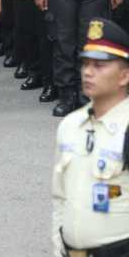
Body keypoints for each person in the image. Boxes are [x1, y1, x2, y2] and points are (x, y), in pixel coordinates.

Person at [52, 18, 129, 256]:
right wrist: (58, 244)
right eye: (85, 64)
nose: (88, 72)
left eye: (100, 65)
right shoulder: (70, 125)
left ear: (125, 76)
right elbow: (59, 197)